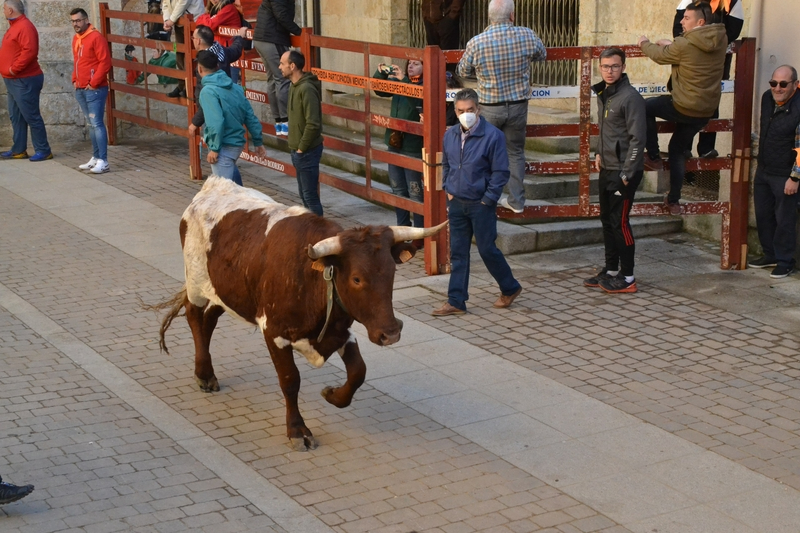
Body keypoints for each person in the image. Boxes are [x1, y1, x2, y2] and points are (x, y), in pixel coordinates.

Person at [431, 88, 522, 316]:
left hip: (480, 204)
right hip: (457, 202)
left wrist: (488, 199)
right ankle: (456, 301)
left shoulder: (493, 136)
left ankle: (510, 287)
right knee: (458, 252)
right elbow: (448, 164)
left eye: (470, 110)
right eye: (461, 110)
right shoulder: (450, 134)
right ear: (455, 110)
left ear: (478, 109)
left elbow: (500, 172)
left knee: (487, 249)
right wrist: (448, 189)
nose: (466, 114)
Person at [456, 0, 546, 215]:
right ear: (512, 15)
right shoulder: (526, 35)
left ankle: (483, 198)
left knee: (483, 151)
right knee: (515, 152)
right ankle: (516, 200)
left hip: (489, 106)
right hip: (517, 106)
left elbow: (462, 70)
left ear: (489, 17)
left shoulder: (477, 42)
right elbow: (542, 55)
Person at [638, 2, 727, 214]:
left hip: (683, 105)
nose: (681, 21)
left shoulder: (684, 45)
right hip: (705, 111)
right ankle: (674, 201)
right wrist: (672, 44)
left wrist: (644, 43)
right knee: (677, 148)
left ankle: (652, 157)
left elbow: (660, 56)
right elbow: (691, 52)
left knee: (643, 107)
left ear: (701, 22)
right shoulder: (720, 39)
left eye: (686, 18)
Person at [584, 48, 646, 294]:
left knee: (620, 223)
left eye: (615, 66)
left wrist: (627, 173)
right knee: (607, 221)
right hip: (607, 167)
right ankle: (611, 270)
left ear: (623, 67)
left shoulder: (630, 98)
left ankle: (628, 277)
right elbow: (606, 130)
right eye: (605, 66)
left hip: (624, 171)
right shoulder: (604, 94)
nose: (610, 71)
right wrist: (599, 152)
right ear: (600, 67)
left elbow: (637, 140)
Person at [673, 0, 743, 159]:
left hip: (714, 63)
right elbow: (678, 28)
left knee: (711, 102)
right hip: (690, 62)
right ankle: (685, 147)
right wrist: (694, 45)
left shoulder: (732, 2)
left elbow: (733, 30)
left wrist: (711, 44)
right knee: (686, 102)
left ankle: (706, 148)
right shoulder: (688, 1)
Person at [749, 65, 800, 279]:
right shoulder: (766, 98)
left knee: (785, 219)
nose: (777, 88)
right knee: (763, 215)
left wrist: (795, 177)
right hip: (765, 168)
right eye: (773, 83)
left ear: (795, 85)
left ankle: (785, 261)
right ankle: (769, 254)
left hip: (786, 174)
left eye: (783, 84)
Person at [196, 50, 266, 185]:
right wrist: (258, 141)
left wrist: (215, 148)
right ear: (218, 66)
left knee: (224, 193)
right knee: (234, 187)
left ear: (199, 68)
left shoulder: (208, 91)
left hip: (223, 146)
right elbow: (250, 116)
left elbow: (216, 122)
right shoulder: (236, 87)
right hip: (237, 144)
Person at [373, 59, 424, 229]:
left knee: (415, 192)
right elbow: (379, 90)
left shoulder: (425, 85)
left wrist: (404, 81)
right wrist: (381, 72)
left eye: (416, 63)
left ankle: (419, 232)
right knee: (397, 189)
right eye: (409, 63)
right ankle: (402, 228)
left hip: (413, 146)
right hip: (394, 143)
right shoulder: (399, 81)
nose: (411, 66)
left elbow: (417, 104)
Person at [0, 0, 52, 161]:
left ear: (10, 10)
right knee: (16, 116)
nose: (3, 12)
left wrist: (13, 69)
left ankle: (44, 150)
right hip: (13, 80)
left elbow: (29, 52)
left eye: (4, 9)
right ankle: (19, 150)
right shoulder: (15, 26)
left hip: (24, 79)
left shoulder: (25, 26)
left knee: (31, 116)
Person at [279, 50, 324, 216]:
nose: (279, 67)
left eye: (282, 64)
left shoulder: (306, 89)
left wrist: (301, 148)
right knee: (304, 195)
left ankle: (319, 233)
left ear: (292, 66)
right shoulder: (294, 86)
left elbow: (313, 123)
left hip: (307, 151)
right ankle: (311, 233)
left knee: (310, 196)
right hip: (298, 150)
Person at [70, 8, 112, 174]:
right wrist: (75, 79)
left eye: (78, 20)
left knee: (97, 124)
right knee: (91, 124)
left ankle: (103, 160)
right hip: (81, 87)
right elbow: (77, 61)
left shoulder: (96, 37)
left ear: (86, 20)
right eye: (73, 21)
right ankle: (95, 157)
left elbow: (105, 62)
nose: (76, 24)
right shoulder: (77, 39)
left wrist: (94, 82)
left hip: (94, 88)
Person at [254, 0, 301, 137]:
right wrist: (299, 32)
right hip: (273, 38)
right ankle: (285, 121)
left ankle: (280, 122)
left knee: (273, 79)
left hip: (264, 37)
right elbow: (281, 15)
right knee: (283, 77)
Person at [162, 0, 205, 98]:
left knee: (192, 55)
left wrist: (171, 20)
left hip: (193, 20)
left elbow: (183, 2)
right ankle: (182, 85)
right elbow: (165, 3)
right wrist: (166, 20)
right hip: (179, 21)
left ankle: (191, 87)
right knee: (180, 54)